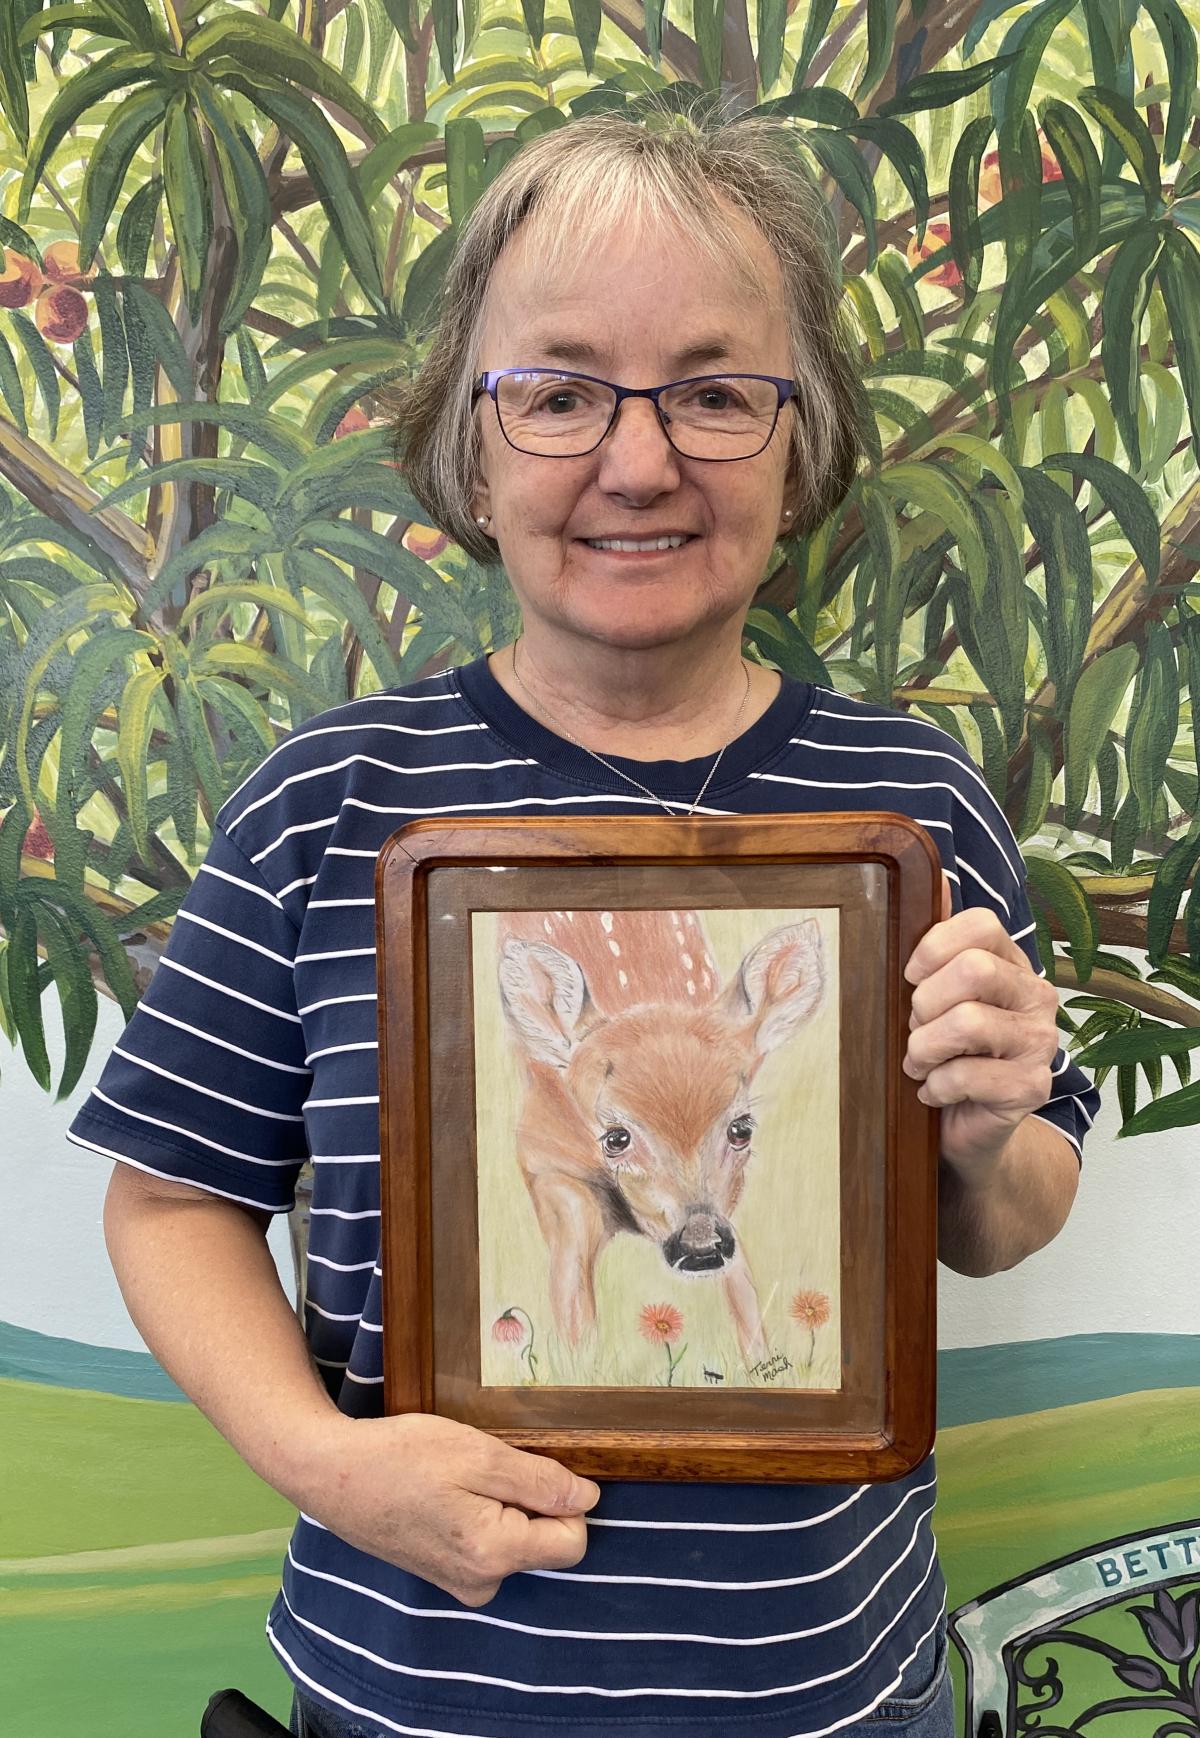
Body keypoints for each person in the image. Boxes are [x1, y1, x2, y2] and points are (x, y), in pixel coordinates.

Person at [70, 110, 1097, 1738]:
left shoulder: (912, 808)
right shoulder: (330, 799)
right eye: (557, 394)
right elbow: (171, 1199)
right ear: (471, 446)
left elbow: (1009, 1207)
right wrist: (326, 1461)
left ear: (799, 436)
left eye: (711, 392)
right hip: (419, 1689)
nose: (637, 462)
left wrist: (988, 1134)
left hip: (824, 1693)